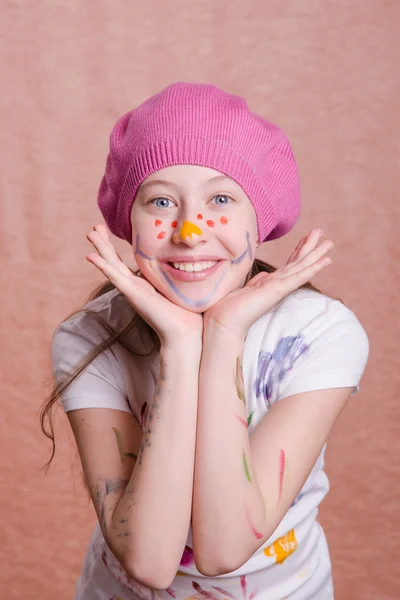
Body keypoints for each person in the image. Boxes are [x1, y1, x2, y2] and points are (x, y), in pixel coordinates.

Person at [40, 82, 369, 600]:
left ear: (259, 222)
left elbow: (223, 548)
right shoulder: (88, 337)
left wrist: (223, 337)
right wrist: (180, 348)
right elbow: (148, 561)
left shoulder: (317, 333)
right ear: (130, 221)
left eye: (220, 198)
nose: (190, 231)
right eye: (162, 201)